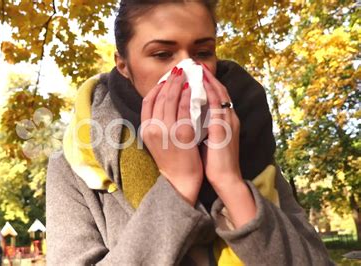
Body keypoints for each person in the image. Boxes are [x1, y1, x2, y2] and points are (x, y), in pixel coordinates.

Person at [45, 0, 334, 265]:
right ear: (123, 65)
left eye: (202, 53)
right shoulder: (77, 163)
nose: (187, 69)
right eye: (162, 54)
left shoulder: (247, 142)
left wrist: (231, 183)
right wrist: (177, 187)